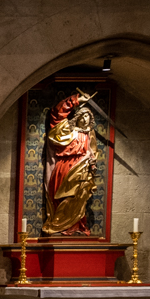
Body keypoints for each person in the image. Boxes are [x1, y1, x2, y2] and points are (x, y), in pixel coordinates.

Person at [42, 91, 100, 236]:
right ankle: (59, 225)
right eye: (83, 115)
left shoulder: (89, 134)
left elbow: (93, 153)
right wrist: (75, 100)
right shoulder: (67, 131)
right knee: (64, 198)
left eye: (88, 116)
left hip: (82, 172)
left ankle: (76, 226)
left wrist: (92, 162)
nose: (86, 119)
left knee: (78, 199)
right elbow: (56, 115)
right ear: (77, 117)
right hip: (64, 170)